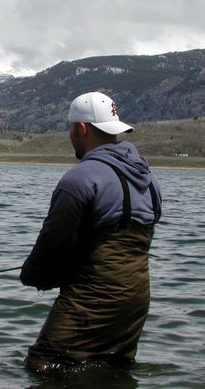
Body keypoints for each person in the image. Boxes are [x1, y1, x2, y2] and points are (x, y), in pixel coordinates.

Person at [20, 91, 162, 372]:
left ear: (81, 129)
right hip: (135, 302)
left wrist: (32, 275)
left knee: (43, 366)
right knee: (112, 369)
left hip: (90, 301)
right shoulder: (148, 178)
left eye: (71, 130)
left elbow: (54, 245)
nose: (70, 135)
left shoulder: (80, 179)